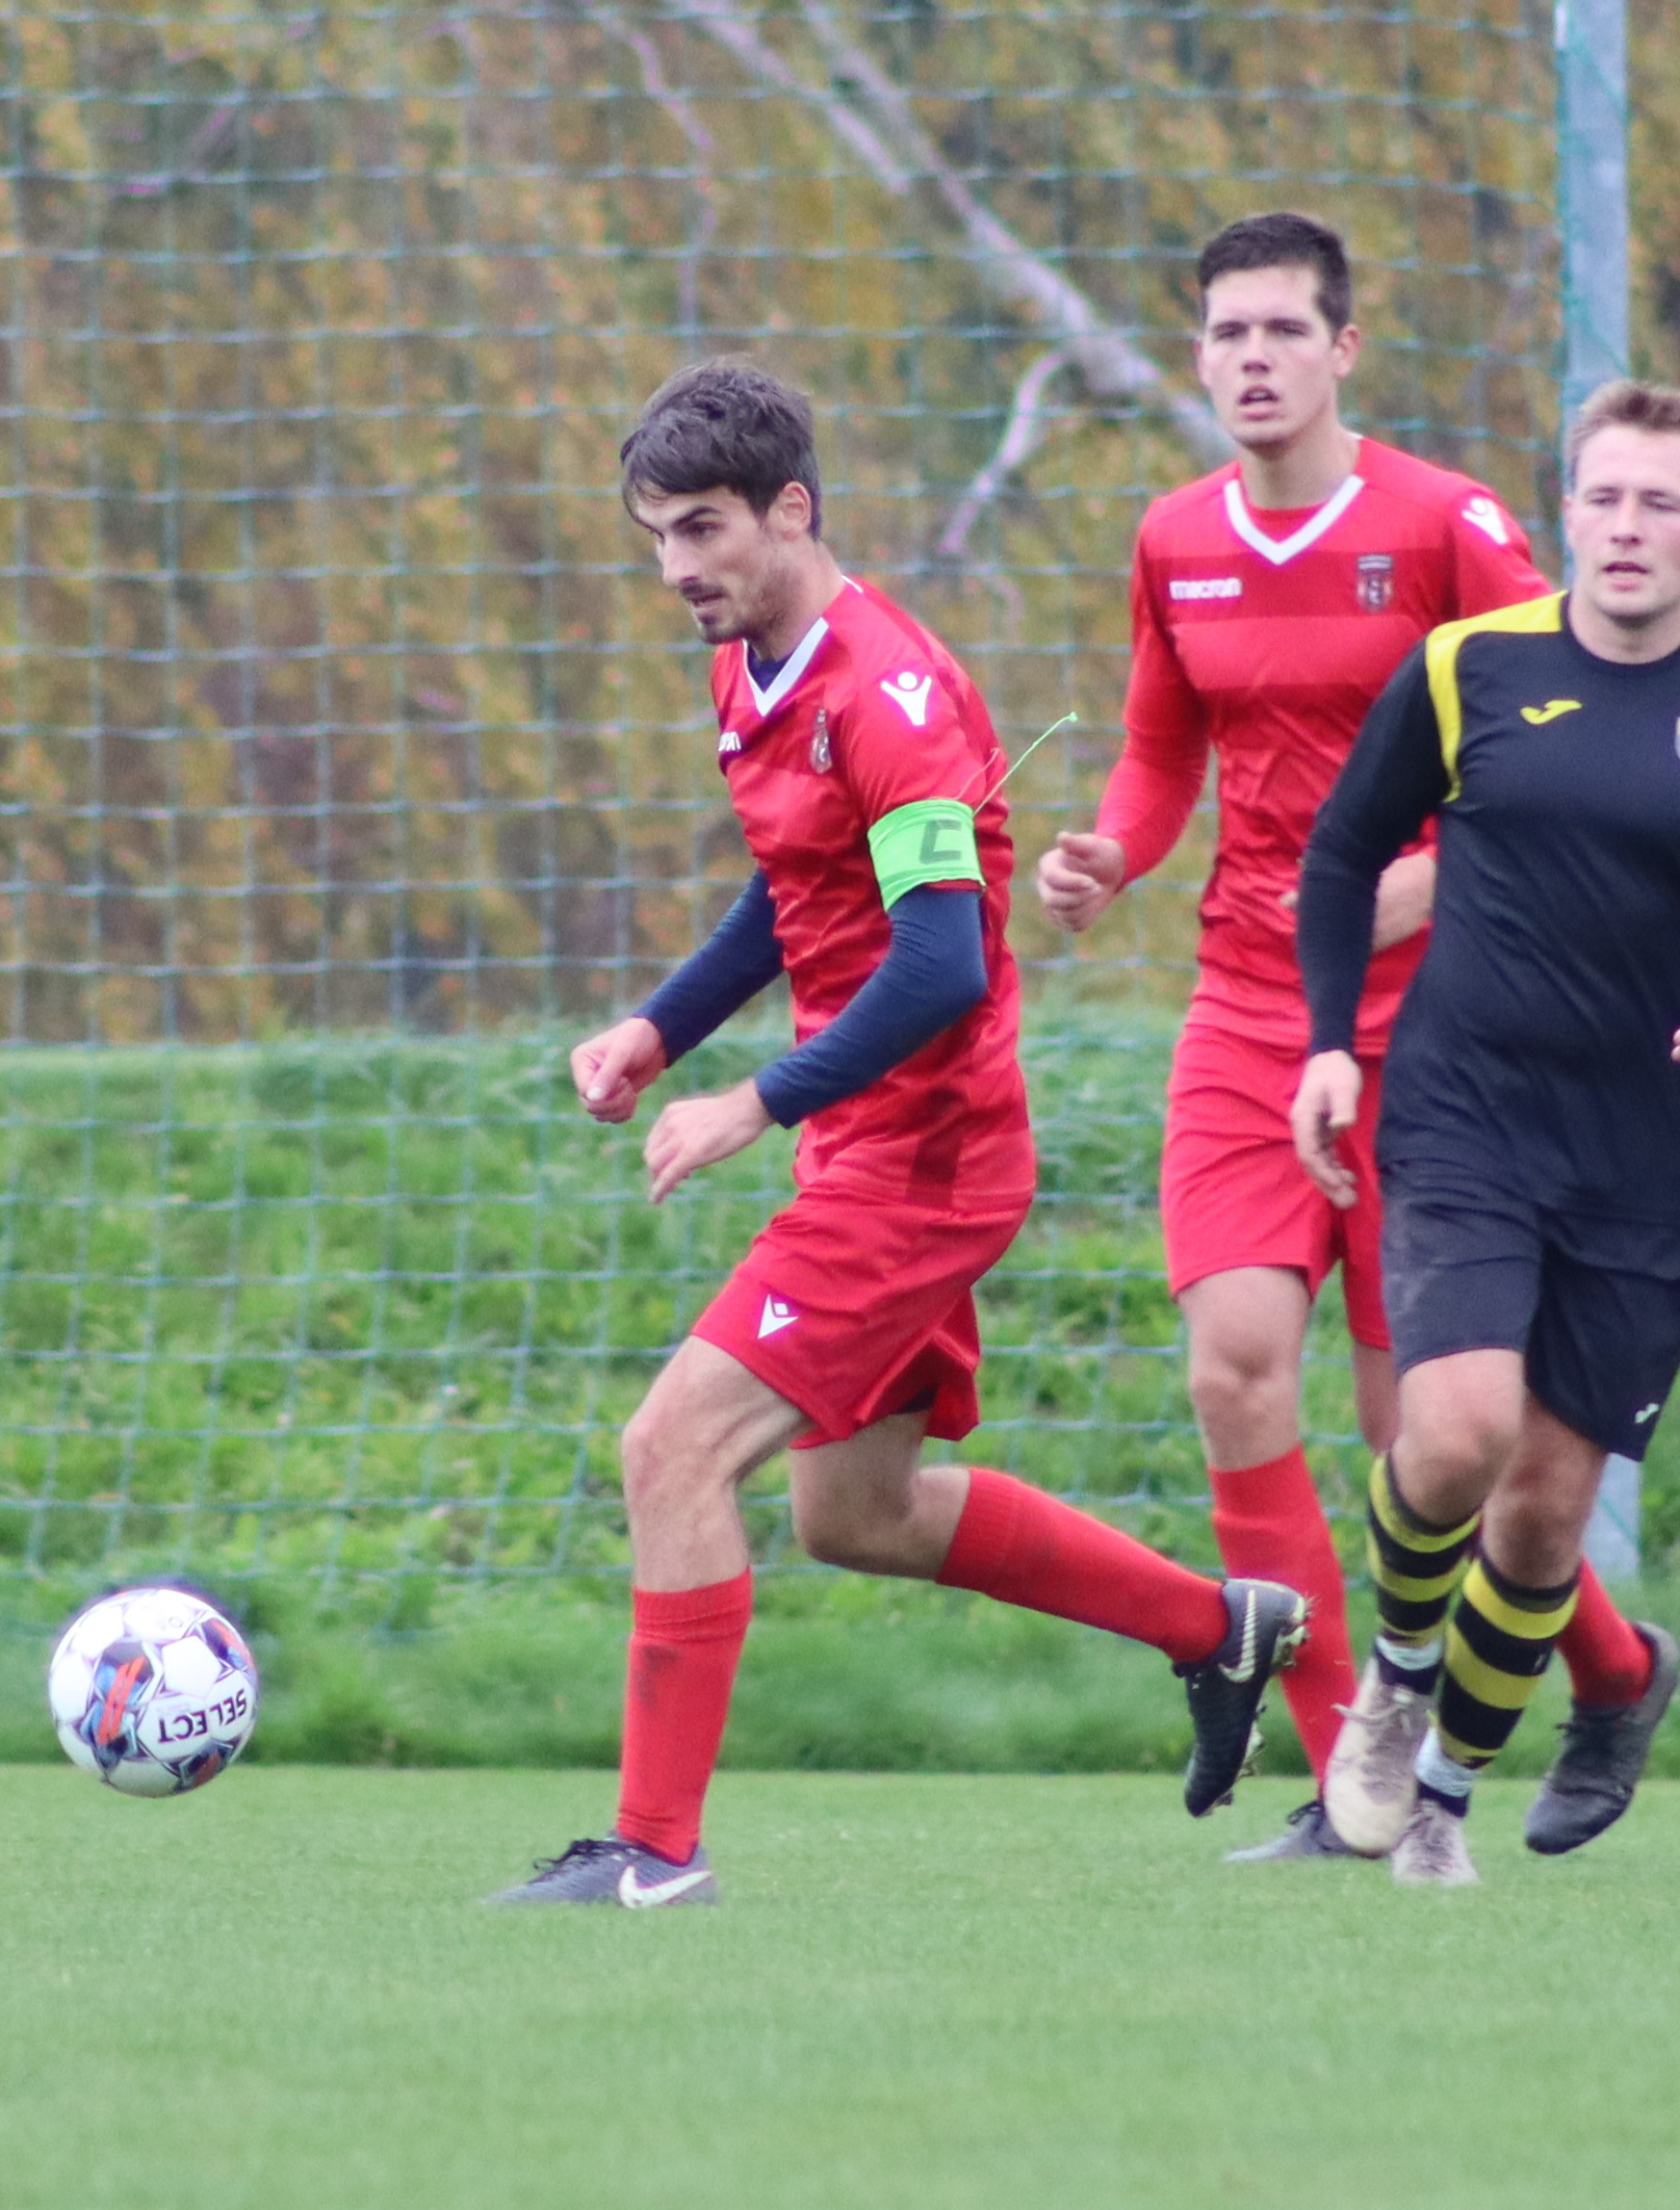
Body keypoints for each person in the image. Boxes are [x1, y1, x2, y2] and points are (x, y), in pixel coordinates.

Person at [493, 360, 1307, 1907]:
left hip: (923, 1163)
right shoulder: (750, 667)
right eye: (658, 536)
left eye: (704, 528)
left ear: (792, 510)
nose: (676, 569)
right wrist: (661, 1030)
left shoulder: (892, 698)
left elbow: (942, 964)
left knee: (671, 1449)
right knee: (854, 1514)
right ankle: (1218, 1630)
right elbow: (794, 885)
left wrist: (751, 1101)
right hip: (869, 1148)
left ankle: (653, 1854)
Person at [1037, 214, 1675, 1862]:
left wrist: (1436, 878)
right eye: (1225, 333)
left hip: (1450, 1036)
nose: (1252, 359)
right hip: (1251, 1012)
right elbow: (1158, 753)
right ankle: (1349, 1780)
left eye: (1281, 330)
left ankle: (1615, 1671)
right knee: (1235, 1364)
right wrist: (1113, 852)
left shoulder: (1444, 526)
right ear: (1198, 357)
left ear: (1342, 350)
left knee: (1429, 1446)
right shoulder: (1174, 537)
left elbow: (1565, 735)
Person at [1291, 380, 1680, 1886]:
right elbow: (1341, 857)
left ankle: (1443, 1806)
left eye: (1660, 503)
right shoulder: (1468, 668)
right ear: (1568, 515)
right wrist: (1332, 1044)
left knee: (1545, 1516)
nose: (1627, 526)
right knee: (1455, 1433)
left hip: (1644, 1160)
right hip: (1466, 1118)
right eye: (1603, 497)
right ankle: (1395, 1687)